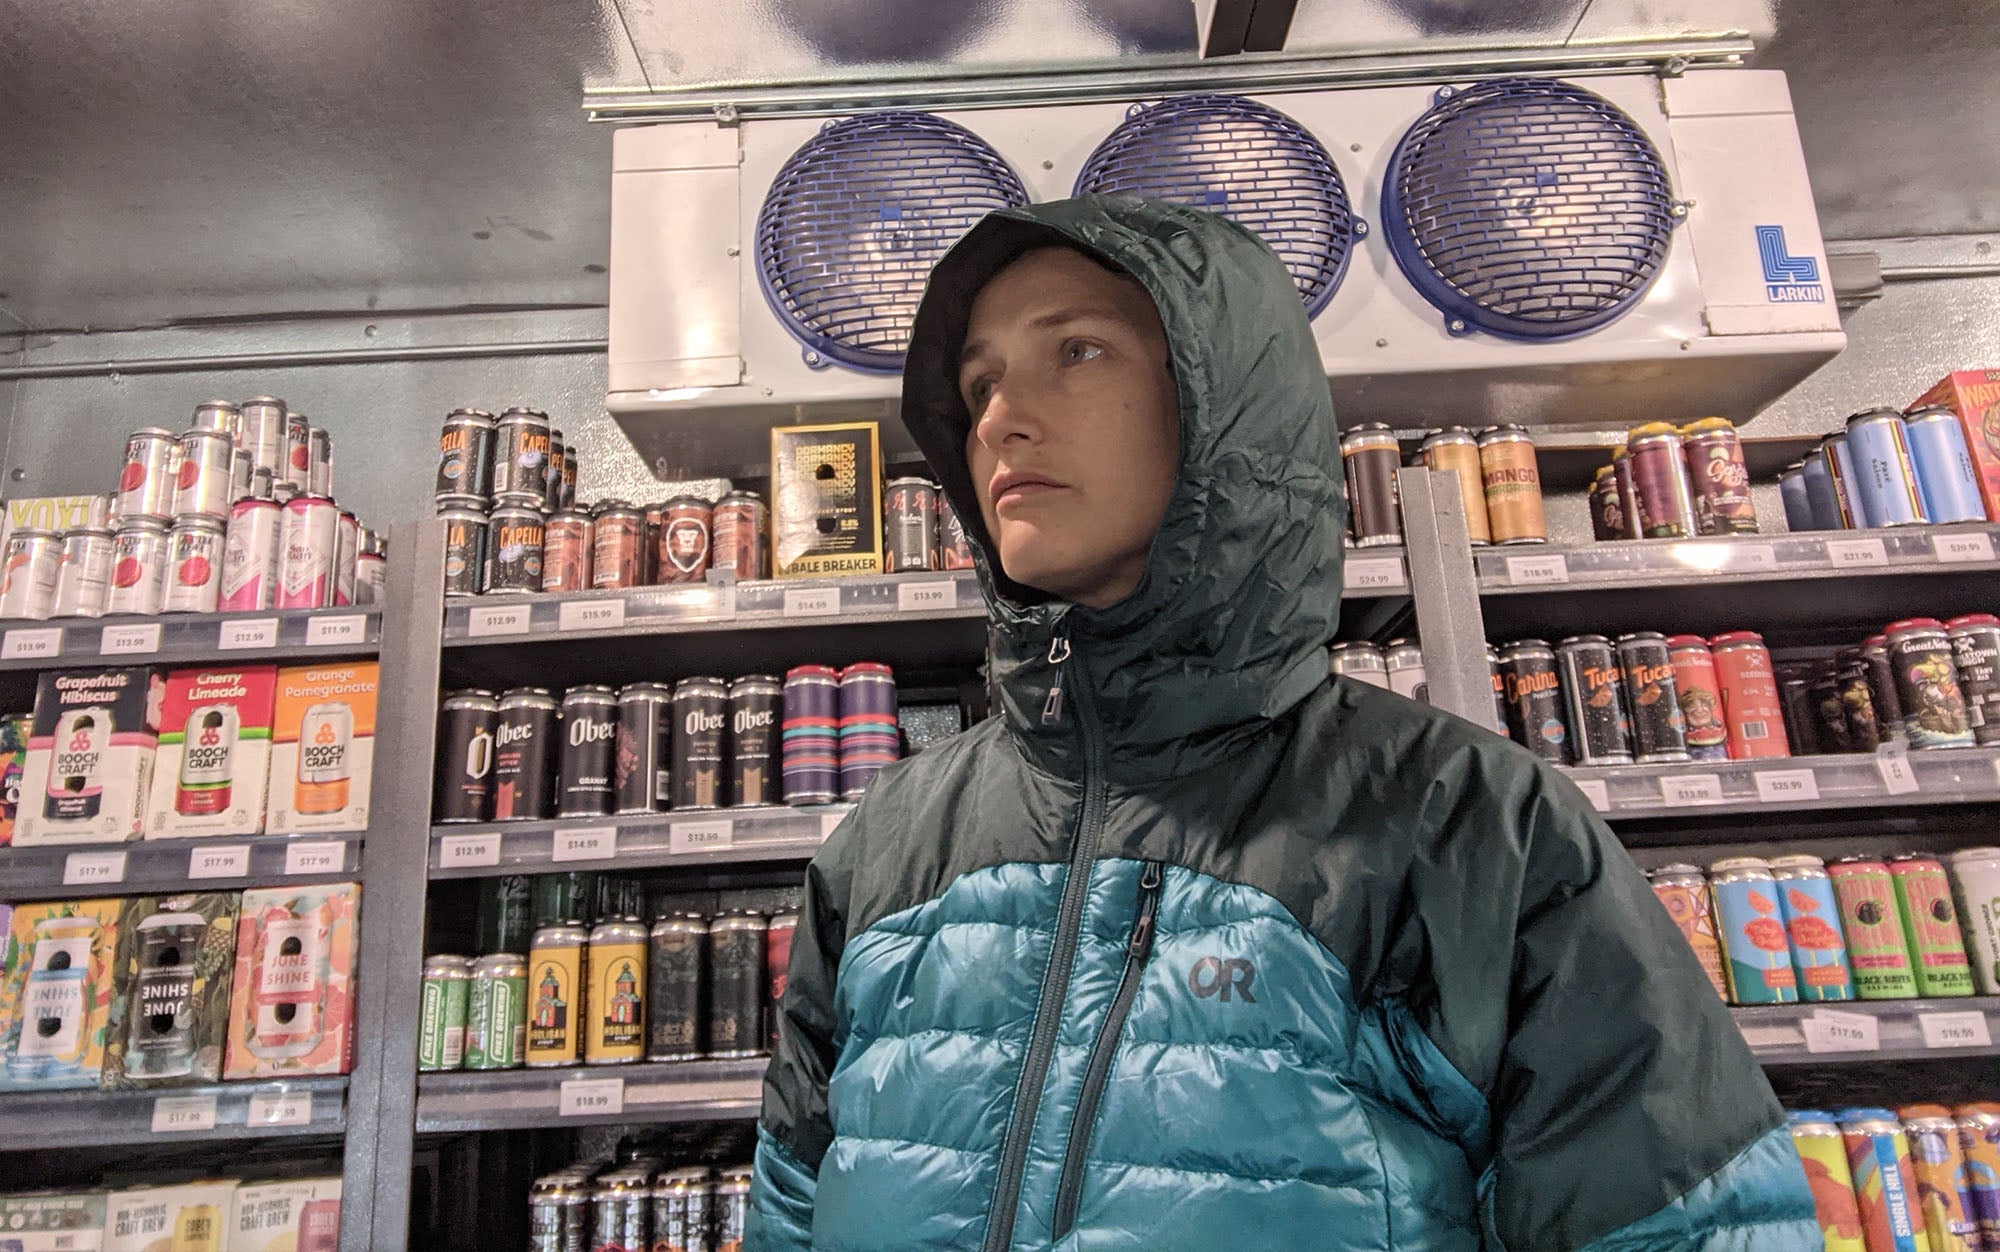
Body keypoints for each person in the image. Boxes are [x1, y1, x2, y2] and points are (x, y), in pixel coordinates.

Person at [746, 195, 1819, 1251]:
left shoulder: (1461, 821)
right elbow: (791, 1204)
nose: (999, 417)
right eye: (976, 383)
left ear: (1227, 407)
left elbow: (1684, 1223)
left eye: (1074, 350)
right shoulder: (886, 839)